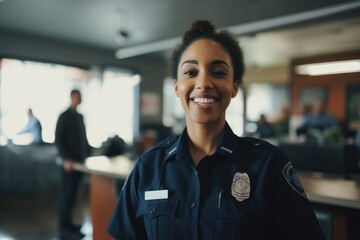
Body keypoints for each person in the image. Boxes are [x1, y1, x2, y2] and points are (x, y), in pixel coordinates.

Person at [107, 20, 325, 240]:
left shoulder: (268, 165)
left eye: (218, 73)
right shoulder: (148, 166)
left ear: (234, 87)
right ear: (176, 86)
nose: (203, 82)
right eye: (191, 72)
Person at [55, 89, 90, 239]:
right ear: (71, 98)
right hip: (68, 164)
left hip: (80, 163)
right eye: (77, 97)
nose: (79, 99)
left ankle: (70, 225)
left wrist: (88, 153)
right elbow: (59, 139)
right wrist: (66, 158)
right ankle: (64, 228)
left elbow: (83, 138)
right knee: (66, 196)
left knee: (74, 196)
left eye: (80, 97)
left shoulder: (80, 116)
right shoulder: (64, 116)